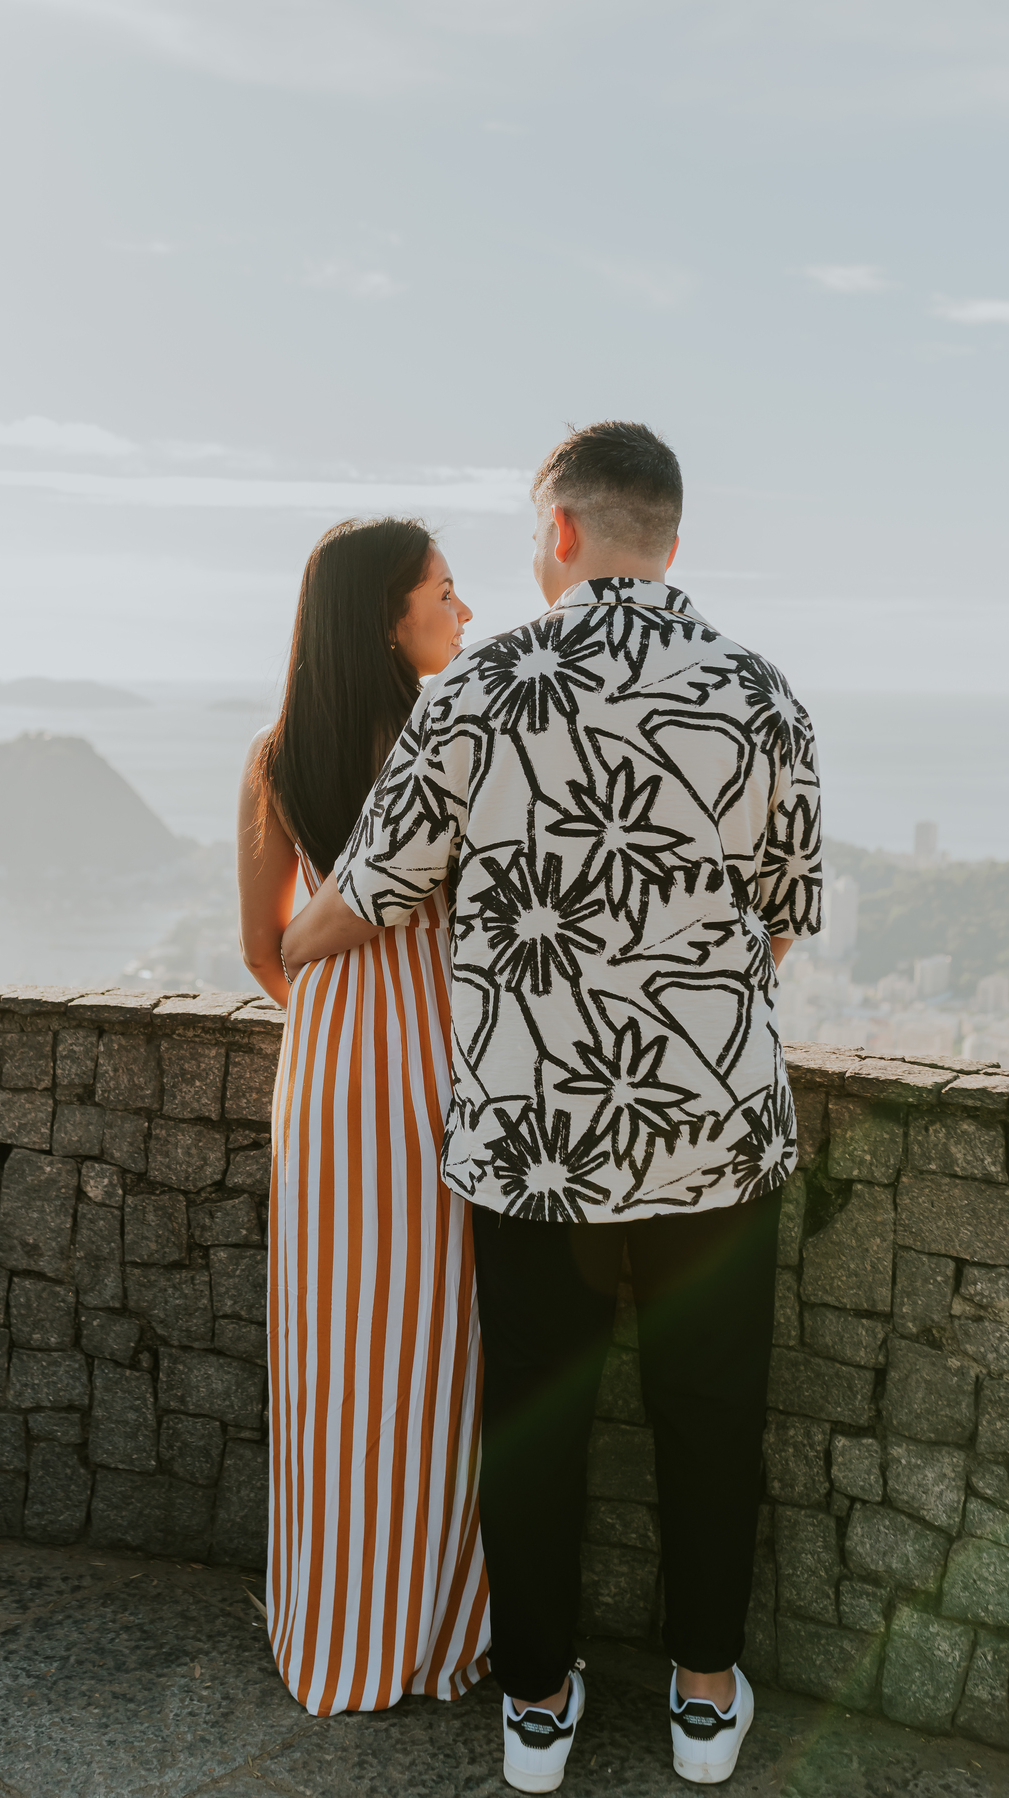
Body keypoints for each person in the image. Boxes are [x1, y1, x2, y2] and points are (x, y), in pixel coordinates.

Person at [282, 422, 823, 1789]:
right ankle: (705, 1695)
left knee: (536, 1412)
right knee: (713, 1417)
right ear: (673, 539)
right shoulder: (765, 695)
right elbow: (780, 920)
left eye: (533, 537)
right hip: (713, 1135)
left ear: (565, 534)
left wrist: (286, 948)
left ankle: (536, 1703)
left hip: (534, 1143)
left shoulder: (482, 690)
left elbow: (371, 888)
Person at [236, 515, 490, 1718]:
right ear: (390, 615)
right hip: (441, 1075)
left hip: (331, 1079)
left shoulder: (278, 753)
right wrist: (412, 1015)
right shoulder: (458, 739)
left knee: (335, 1360)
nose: (464, 609)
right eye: (444, 591)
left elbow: (265, 950)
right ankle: (432, 1627)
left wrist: (346, 1022)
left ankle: (331, 1623)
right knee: (436, 1361)